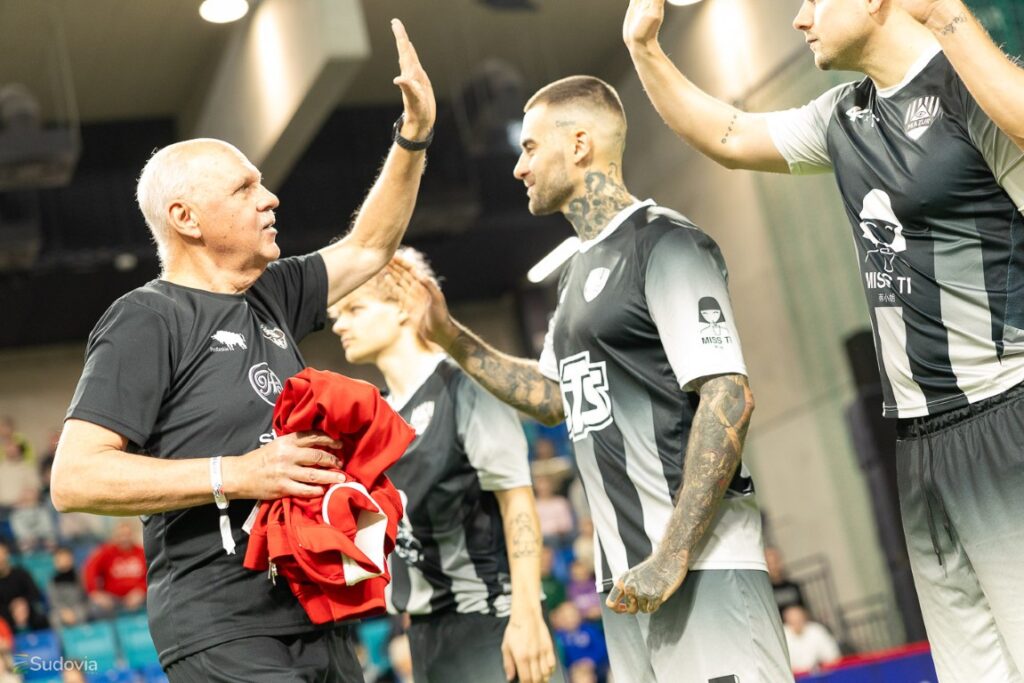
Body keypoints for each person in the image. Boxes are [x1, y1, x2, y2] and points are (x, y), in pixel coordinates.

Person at [624, 1, 1024, 680]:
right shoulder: (843, 116)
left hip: (1004, 413)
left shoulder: (974, 88)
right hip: (917, 443)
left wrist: (944, 13)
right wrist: (646, 51)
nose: (801, 18)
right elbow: (728, 135)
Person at [49, 19, 435, 682]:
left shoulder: (272, 292)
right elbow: (75, 479)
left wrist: (414, 136)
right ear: (185, 218)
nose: (270, 197)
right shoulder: (147, 318)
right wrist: (238, 473)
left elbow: (371, 246)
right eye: (244, 188)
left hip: (315, 609)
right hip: (221, 625)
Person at [391, 75, 791, 682]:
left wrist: (672, 555)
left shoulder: (665, 242)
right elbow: (553, 397)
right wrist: (451, 337)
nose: (519, 168)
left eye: (529, 148)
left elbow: (728, 395)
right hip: (626, 583)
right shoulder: (577, 274)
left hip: (701, 568)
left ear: (579, 144)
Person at [329, 248, 560, 683]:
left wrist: (527, 616)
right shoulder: (375, 417)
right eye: (337, 315)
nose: (339, 325)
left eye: (355, 309)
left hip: (493, 622)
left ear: (403, 306)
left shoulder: (466, 386)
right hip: (426, 636)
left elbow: (516, 501)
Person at [82, 520, 147, 616]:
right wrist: (94, 592)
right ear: (115, 536)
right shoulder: (106, 552)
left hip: (139, 597)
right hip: (112, 599)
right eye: (121, 535)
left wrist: (142, 590)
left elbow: (151, 575)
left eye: (127, 535)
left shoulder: (142, 552)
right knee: (95, 607)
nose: (124, 539)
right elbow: (89, 569)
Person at [782, 604, 841, 674]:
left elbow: (832, 656)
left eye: (799, 619)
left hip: (820, 675)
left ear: (805, 617)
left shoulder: (817, 630)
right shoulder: (781, 635)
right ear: (786, 620)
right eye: (793, 620)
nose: (797, 623)